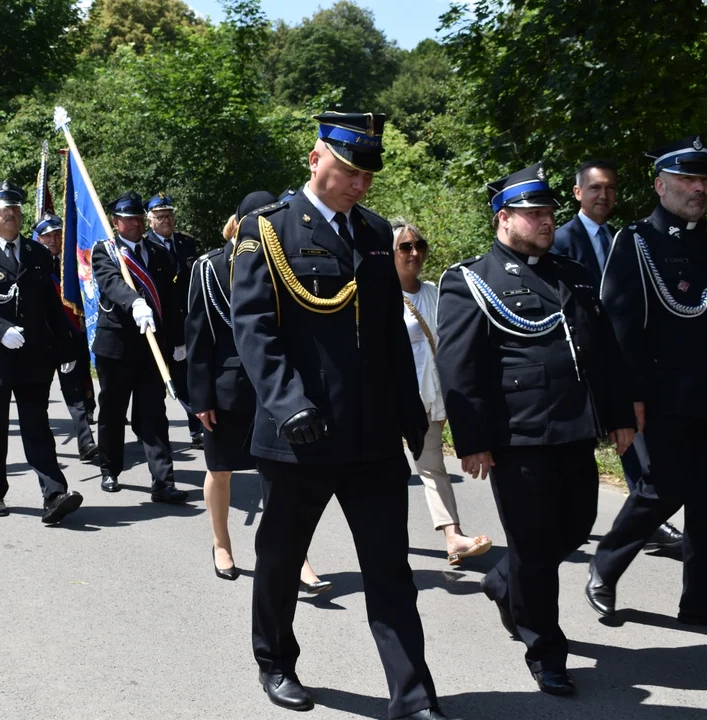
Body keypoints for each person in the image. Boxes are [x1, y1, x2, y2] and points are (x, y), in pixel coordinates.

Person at [232, 112, 444, 719]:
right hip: (299, 435)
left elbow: (387, 340)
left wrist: (413, 422)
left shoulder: (377, 234)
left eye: (366, 174)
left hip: (371, 437)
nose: (359, 184)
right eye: (349, 170)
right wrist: (289, 403)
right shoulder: (267, 231)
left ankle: (413, 697)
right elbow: (255, 330)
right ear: (315, 158)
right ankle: (274, 660)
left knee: (391, 571)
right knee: (279, 557)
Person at [436, 162, 635, 696]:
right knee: (535, 546)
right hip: (518, 436)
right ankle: (545, 649)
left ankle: (504, 582)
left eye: (549, 213)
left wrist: (618, 413)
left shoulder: (570, 272)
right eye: (534, 214)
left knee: (575, 528)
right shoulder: (471, 279)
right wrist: (472, 439)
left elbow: (604, 351)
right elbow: (460, 365)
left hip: (574, 429)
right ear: (504, 219)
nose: (547, 222)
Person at [588, 137, 707, 635]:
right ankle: (605, 565)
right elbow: (619, 325)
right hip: (658, 394)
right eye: (688, 180)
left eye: (705, 181)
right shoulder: (635, 240)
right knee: (662, 489)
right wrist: (629, 397)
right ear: (661, 185)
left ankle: (703, 602)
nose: (699, 189)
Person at [186, 191, 330, 593]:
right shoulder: (209, 268)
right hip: (225, 390)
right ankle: (221, 544)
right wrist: (200, 400)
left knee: (282, 479)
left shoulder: (285, 262)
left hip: (275, 391)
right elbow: (198, 338)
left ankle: (295, 556)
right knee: (220, 470)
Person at [553, 160, 683, 557]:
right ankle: (565, 519)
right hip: (583, 358)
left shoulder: (624, 238)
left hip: (623, 357)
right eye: (595, 189)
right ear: (578, 193)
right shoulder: (560, 240)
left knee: (633, 435)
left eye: (609, 188)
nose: (603, 196)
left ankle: (646, 515)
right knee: (580, 448)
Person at [0, 182, 82, 522]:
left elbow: (53, 307)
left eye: (17, 210)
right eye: (5, 211)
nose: (12, 215)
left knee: (37, 427)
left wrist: (66, 347)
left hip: (33, 356)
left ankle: (54, 493)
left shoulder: (38, 254)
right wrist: (0, 330)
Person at [393, 218, 492, 564]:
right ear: (390, 253)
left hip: (429, 396)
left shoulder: (435, 292)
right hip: (390, 400)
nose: (414, 252)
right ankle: (386, 537)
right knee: (387, 472)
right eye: (405, 247)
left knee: (432, 467)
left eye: (419, 245)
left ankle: (453, 537)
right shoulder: (377, 295)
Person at [91, 191, 188, 504]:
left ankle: (163, 481)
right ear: (116, 222)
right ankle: (110, 468)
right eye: (127, 218)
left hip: (152, 349)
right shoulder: (105, 251)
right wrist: (134, 302)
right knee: (113, 412)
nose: (133, 224)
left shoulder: (157, 253)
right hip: (116, 347)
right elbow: (110, 283)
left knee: (153, 414)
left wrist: (177, 340)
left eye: (136, 218)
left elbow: (170, 303)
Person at [33, 213, 98, 462]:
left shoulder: (73, 264)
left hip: (69, 338)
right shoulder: (32, 262)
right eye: (47, 235)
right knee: (38, 399)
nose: (53, 239)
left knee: (75, 395)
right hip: (41, 342)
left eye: (57, 234)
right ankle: (41, 447)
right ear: (38, 238)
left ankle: (86, 443)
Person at [145, 193, 202, 448]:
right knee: (155, 384)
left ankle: (197, 429)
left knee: (191, 377)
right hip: (158, 321)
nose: (166, 220)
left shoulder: (187, 243)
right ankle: (148, 431)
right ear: (149, 220)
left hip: (188, 319)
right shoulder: (145, 247)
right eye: (160, 216)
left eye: (169, 215)